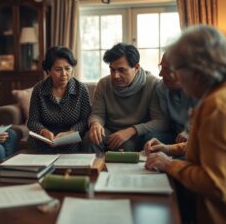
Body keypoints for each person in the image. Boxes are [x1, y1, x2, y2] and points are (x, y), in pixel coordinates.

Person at [144, 25, 226, 224]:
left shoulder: (216, 106)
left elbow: (216, 184)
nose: (175, 77)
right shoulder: (215, 97)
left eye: (177, 69)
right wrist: (168, 149)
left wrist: (169, 164)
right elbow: (208, 150)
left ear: (197, 73)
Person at [84, 43, 168, 153]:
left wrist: (131, 130)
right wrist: (95, 124)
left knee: (127, 146)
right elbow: (97, 114)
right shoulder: (103, 83)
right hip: (109, 131)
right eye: (112, 70)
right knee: (90, 139)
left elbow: (160, 122)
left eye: (121, 70)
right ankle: (95, 169)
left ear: (136, 67)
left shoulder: (153, 84)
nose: (115, 76)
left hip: (134, 135)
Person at [27, 46, 91, 153]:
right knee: (35, 145)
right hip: (45, 139)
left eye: (67, 68)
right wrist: (43, 131)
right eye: (58, 69)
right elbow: (32, 121)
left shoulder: (81, 89)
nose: (64, 74)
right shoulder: (39, 89)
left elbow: (85, 120)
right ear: (48, 70)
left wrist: (72, 132)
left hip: (71, 139)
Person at [154, 53, 197, 143]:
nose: (160, 74)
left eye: (167, 70)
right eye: (161, 67)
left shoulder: (199, 89)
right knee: (150, 138)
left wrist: (189, 132)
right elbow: (165, 122)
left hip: (197, 133)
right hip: (175, 133)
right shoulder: (161, 87)